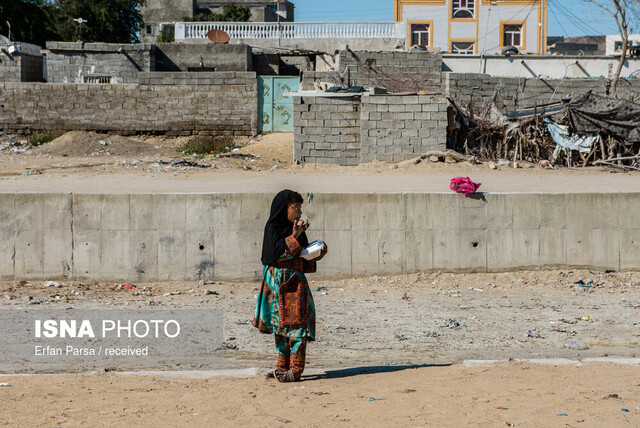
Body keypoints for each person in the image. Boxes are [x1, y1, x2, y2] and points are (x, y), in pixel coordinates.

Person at [253, 189, 328, 382]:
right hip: (278, 287)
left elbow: (300, 257)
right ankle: (281, 366)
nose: (299, 212)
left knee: (297, 328)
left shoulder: (296, 230)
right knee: (280, 328)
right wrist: (294, 236)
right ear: (284, 208)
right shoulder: (273, 229)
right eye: (296, 207)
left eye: (300, 208)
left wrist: (316, 252)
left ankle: (295, 370)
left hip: (294, 287)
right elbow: (276, 256)